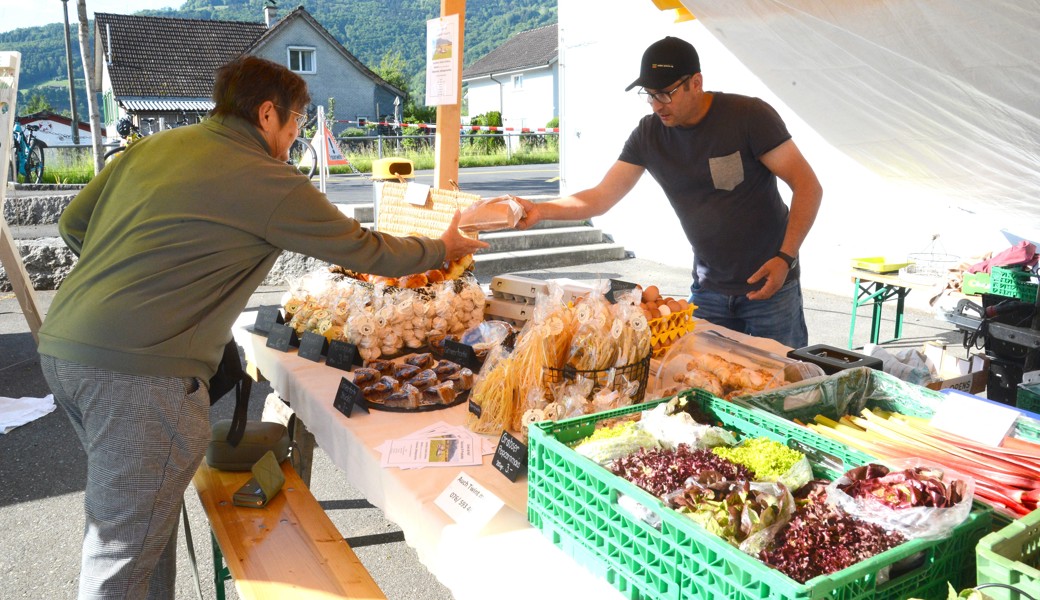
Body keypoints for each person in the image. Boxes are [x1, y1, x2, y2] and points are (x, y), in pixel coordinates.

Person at [36, 55, 487, 599]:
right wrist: (444, 247)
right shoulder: (268, 179)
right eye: (297, 119)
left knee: (137, 522)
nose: (298, 133)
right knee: (122, 552)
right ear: (268, 113)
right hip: (140, 379)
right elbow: (363, 248)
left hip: (64, 351)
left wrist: (141, 284)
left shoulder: (153, 147)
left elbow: (73, 224)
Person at [515, 36, 822, 348]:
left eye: (665, 93)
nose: (657, 104)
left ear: (696, 83)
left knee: (788, 385)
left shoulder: (748, 116)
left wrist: (785, 257)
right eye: (649, 95)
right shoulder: (649, 135)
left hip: (771, 287)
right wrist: (541, 210)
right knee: (704, 382)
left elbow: (808, 186)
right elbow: (600, 197)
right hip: (708, 289)